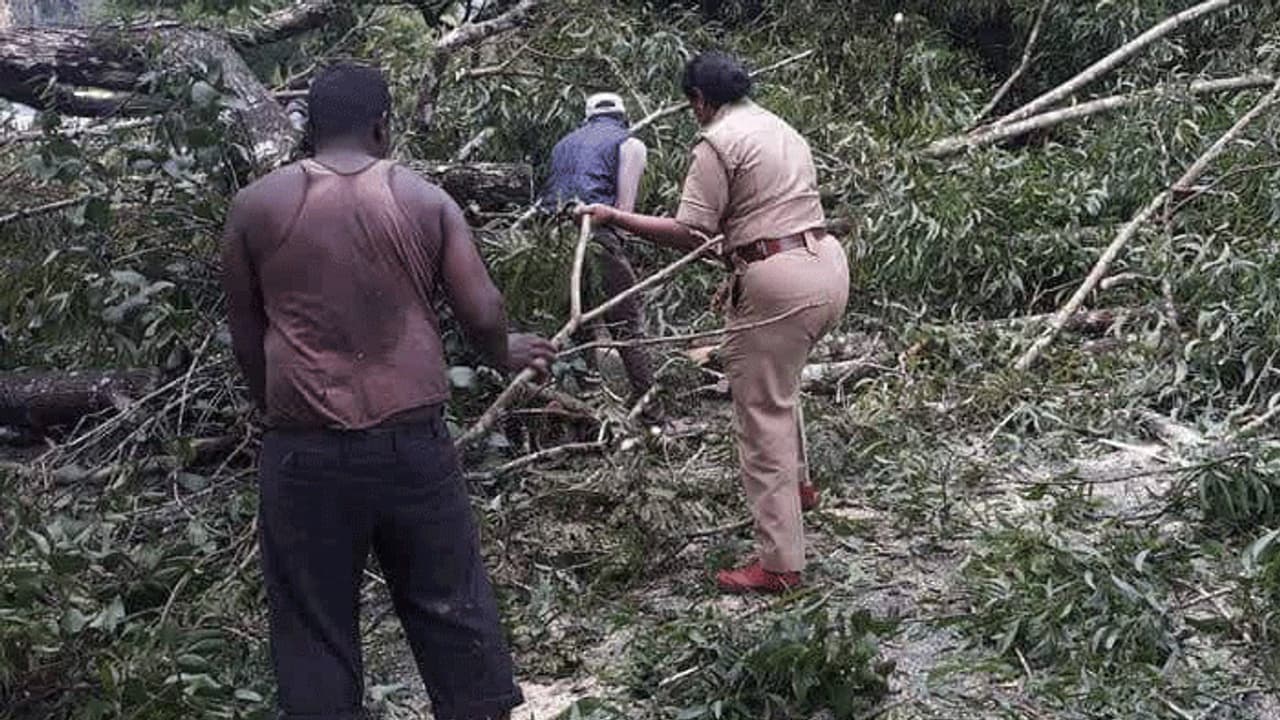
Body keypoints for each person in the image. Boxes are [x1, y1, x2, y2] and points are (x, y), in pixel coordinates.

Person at [220, 62, 551, 720]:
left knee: (315, 629)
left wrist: (279, 413)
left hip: (304, 451)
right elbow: (482, 313)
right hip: (412, 446)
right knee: (451, 610)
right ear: (381, 125)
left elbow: (246, 336)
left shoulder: (255, 206)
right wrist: (501, 350)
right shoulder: (426, 199)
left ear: (308, 127)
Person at [578, 51, 850, 595]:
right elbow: (762, 213)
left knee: (760, 417)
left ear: (699, 101)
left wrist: (612, 216)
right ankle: (798, 491)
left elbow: (691, 231)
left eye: (692, 105)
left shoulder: (716, 141)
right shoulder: (780, 127)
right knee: (782, 386)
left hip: (780, 284)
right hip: (827, 266)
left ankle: (779, 565)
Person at [541, 92, 655, 408]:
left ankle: (588, 398)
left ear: (587, 117)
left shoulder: (562, 144)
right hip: (597, 234)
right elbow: (624, 210)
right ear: (623, 117)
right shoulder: (630, 143)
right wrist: (619, 249)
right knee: (627, 322)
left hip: (554, 237)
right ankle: (648, 404)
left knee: (579, 321)